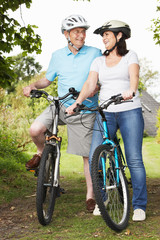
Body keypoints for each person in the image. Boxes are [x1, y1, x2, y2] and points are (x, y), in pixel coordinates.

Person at [66, 20, 147, 221]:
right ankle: (103, 200)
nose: (103, 38)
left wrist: (132, 90)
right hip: (105, 113)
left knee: (134, 159)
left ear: (119, 36)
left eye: (107, 34)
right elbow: (90, 83)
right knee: (96, 155)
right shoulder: (98, 61)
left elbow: (134, 77)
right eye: (102, 35)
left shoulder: (130, 56)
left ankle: (139, 206)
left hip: (129, 110)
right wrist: (78, 102)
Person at [23, 14, 102, 213]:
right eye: (77, 32)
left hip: (82, 108)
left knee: (86, 155)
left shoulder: (95, 53)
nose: (82, 35)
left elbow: (101, 78)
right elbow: (47, 80)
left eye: (83, 31)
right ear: (66, 34)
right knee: (35, 130)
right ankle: (42, 152)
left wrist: (96, 87)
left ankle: (90, 196)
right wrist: (33, 85)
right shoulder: (58, 55)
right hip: (60, 105)